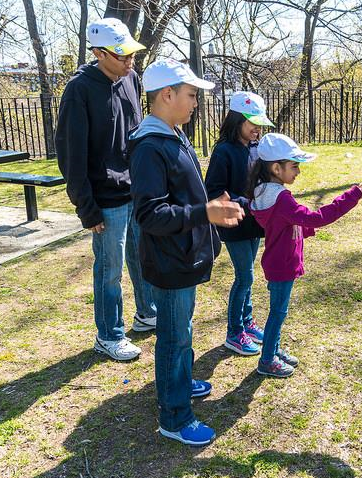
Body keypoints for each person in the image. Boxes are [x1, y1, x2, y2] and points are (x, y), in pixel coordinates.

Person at [128, 58, 244, 446]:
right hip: (170, 260)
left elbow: (182, 194)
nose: (196, 102)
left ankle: (181, 382)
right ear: (167, 94)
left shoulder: (172, 133)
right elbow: (149, 213)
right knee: (174, 337)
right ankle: (174, 417)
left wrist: (211, 205)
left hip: (184, 255)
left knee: (183, 330)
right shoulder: (149, 146)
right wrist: (203, 212)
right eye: (192, 95)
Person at [54, 18, 156, 361]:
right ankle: (109, 334)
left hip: (136, 191)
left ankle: (147, 313)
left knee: (141, 256)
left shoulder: (132, 80)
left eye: (131, 54)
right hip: (104, 199)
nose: (130, 61)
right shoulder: (78, 90)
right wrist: (86, 207)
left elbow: (138, 133)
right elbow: (70, 153)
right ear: (99, 53)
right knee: (109, 270)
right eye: (122, 55)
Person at [248, 133, 362, 377]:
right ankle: (267, 360)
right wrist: (352, 196)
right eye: (294, 166)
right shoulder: (280, 198)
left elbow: (288, 224)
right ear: (276, 168)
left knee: (279, 311)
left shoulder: (267, 193)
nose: (298, 172)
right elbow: (317, 218)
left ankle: (273, 349)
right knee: (277, 313)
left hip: (278, 262)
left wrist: (303, 232)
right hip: (282, 266)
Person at [205, 92, 275, 357]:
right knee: (244, 276)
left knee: (249, 274)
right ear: (237, 120)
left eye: (260, 123)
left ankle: (247, 322)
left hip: (255, 223)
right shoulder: (223, 151)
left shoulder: (256, 148)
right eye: (252, 122)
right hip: (234, 223)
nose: (257, 129)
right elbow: (212, 189)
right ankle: (234, 332)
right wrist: (241, 201)